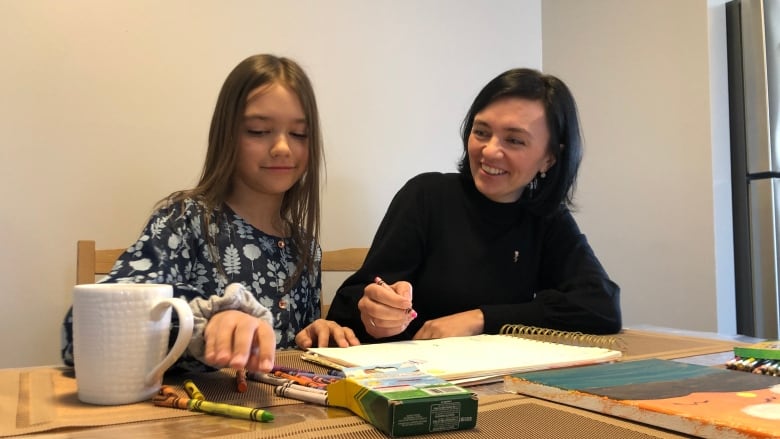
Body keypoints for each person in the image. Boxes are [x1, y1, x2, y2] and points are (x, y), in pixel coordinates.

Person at [61, 54, 358, 373]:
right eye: (258, 131)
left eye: (300, 134)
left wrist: (314, 334)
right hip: (188, 416)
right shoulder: (184, 220)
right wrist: (203, 324)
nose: (283, 147)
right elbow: (81, 334)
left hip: (282, 418)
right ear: (226, 135)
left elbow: (291, 355)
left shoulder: (305, 247)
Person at [327, 68, 621, 342]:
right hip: (418, 382)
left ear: (549, 158)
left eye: (515, 140)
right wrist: (374, 310)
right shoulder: (427, 196)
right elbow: (348, 307)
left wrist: (480, 319)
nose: (490, 150)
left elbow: (601, 305)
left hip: (503, 382)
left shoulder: (546, 217)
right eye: (481, 132)